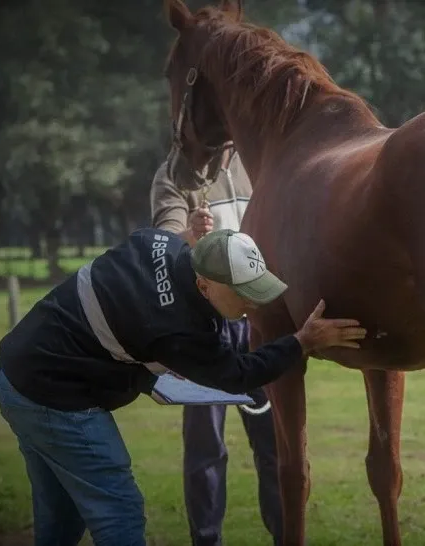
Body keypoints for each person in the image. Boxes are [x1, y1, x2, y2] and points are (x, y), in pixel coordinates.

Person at [0, 227, 366, 546]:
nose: (252, 305)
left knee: (62, 518)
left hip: (17, 370)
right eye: (243, 294)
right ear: (203, 284)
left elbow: (135, 285)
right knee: (118, 511)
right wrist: (303, 341)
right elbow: (239, 374)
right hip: (52, 395)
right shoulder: (180, 328)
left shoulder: (158, 241)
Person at [150, 145, 283, 546]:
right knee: (206, 448)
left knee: (277, 444)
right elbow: (163, 242)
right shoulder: (174, 175)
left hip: (260, 320)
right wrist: (188, 234)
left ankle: (286, 534)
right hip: (204, 327)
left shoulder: (260, 161)